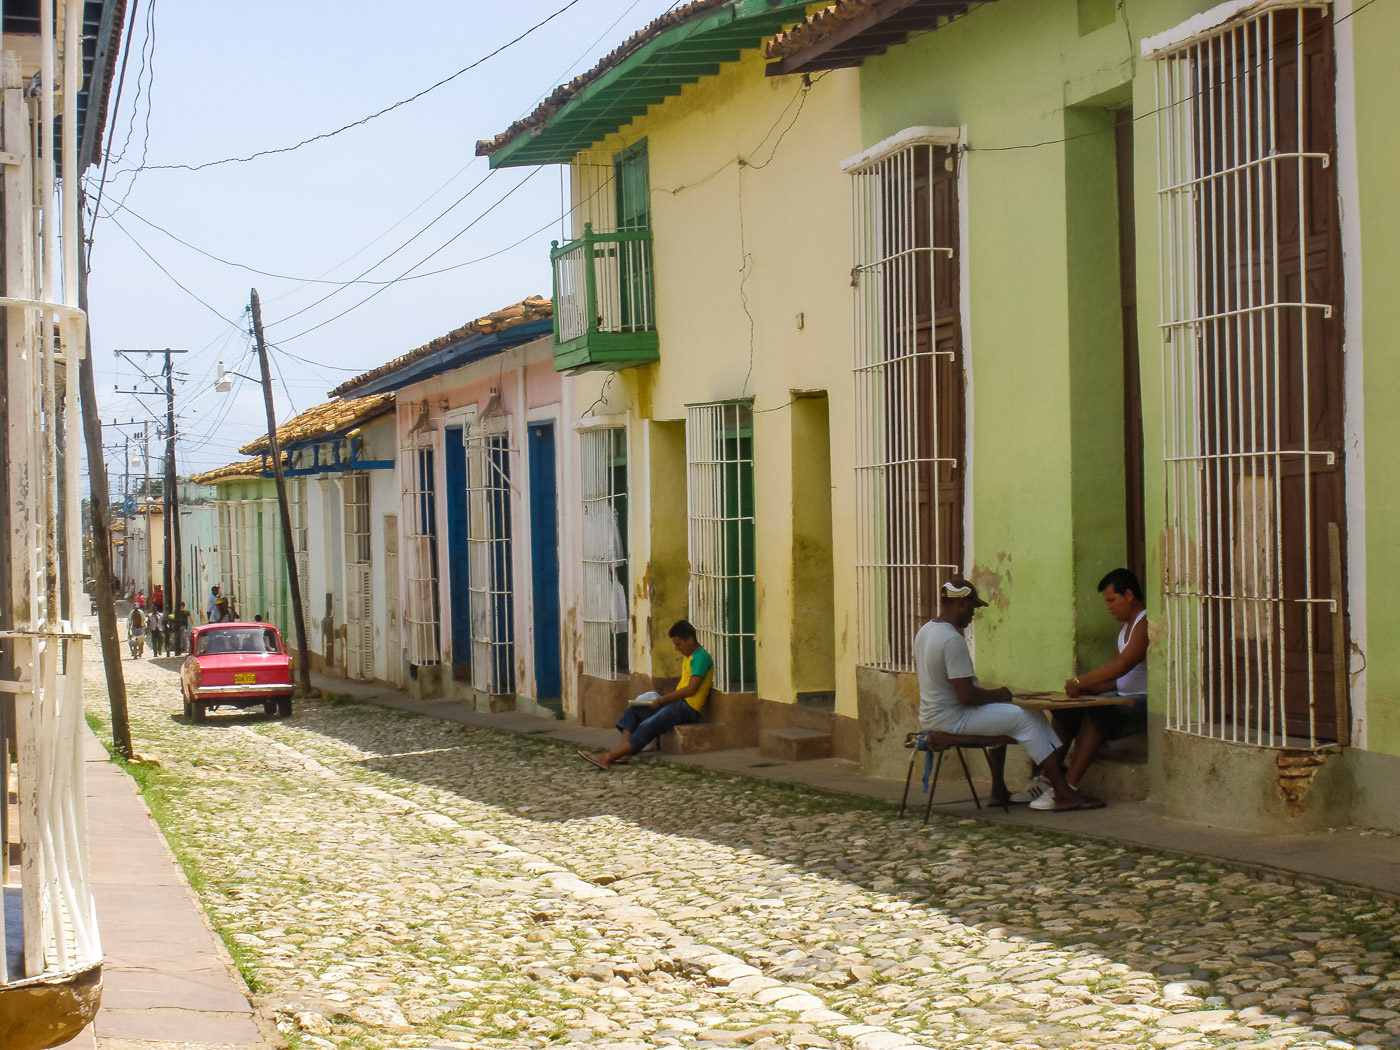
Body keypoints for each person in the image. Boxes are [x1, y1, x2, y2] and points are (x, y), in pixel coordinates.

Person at [915, 577, 1103, 811]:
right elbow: (967, 697)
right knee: (1026, 718)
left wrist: (994, 700)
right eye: (973, 608)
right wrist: (998, 695)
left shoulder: (925, 631)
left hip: (934, 715)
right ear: (962, 604)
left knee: (1007, 716)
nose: (973, 615)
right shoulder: (952, 639)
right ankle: (1062, 791)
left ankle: (999, 791)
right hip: (952, 718)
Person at [1018, 568, 1148, 810]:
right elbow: (1121, 678)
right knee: (1068, 710)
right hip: (1122, 694)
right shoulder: (1124, 630)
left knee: (1096, 715)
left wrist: (1081, 682)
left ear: (1129, 595)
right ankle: (1048, 779)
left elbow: (1122, 665)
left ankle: (1068, 787)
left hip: (1142, 702)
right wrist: (1092, 690)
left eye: (1112, 600)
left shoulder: (1145, 622)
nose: (1109, 607)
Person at [580, 620, 713, 770]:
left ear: (690, 640)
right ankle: (622, 754)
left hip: (688, 708)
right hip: (678, 703)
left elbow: (691, 690)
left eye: (678, 644)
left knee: (647, 726)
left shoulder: (701, 658)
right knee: (633, 711)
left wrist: (662, 700)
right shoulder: (690, 656)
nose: (676, 649)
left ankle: (609, 757)